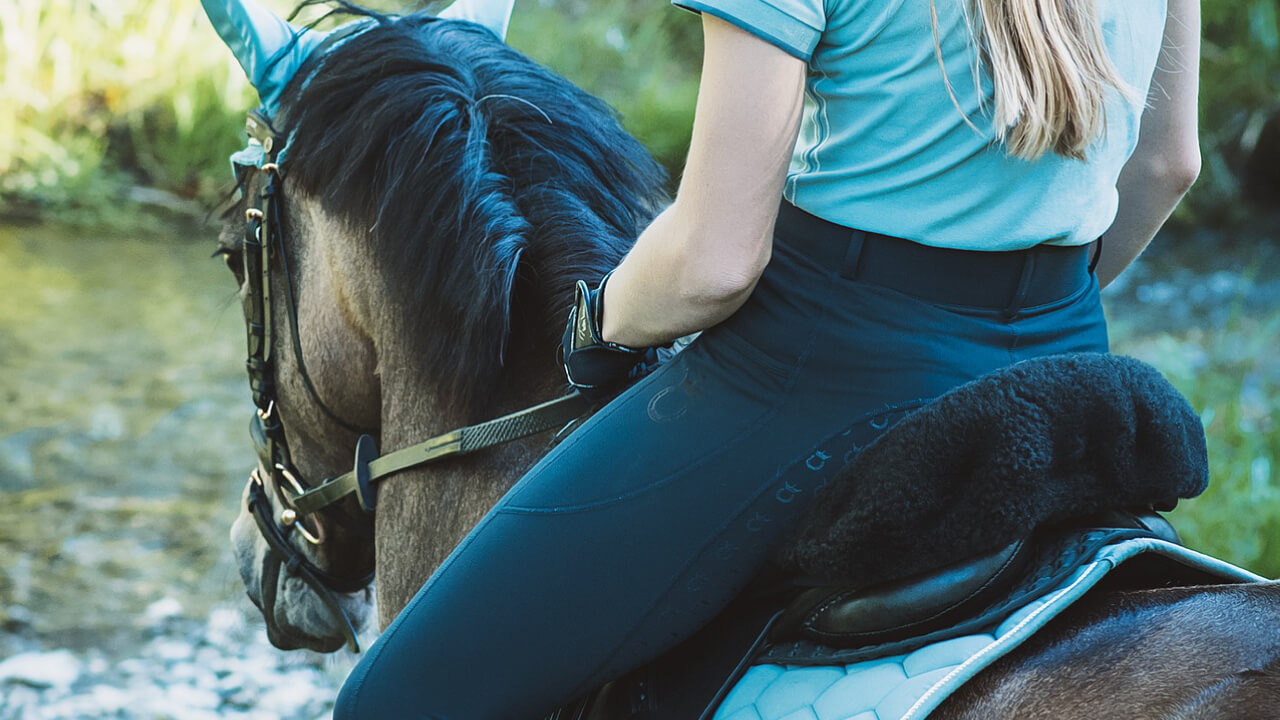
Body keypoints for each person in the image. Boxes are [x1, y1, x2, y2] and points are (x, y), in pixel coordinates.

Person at [333, 0, 1201, 716]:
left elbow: (712, 263)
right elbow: (1167, 165)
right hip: (1068, 361)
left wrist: (599, 325)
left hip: (822, 373)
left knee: (398, 698)